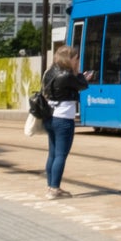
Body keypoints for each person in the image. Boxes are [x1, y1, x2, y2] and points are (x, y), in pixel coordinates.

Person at [41, 44, 91, 199]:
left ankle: (51, 186)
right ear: (69, 59)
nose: (78, 61)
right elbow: (82, 85)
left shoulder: (50, 72)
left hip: (49, 117)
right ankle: (55, 189)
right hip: (63, 119)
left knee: (52, 154)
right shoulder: (67, 75)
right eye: (76, 59)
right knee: (61, 155)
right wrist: (82, 75)